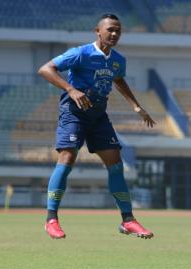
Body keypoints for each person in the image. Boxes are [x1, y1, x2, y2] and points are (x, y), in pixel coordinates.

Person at [38, 14, 155, 239]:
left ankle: (128, 220)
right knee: (67, 159)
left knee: (116, 164)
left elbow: (118, 79)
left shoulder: (118, 60)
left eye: (118, 31)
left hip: (99, 115)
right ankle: (51, 219)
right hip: (73, 113)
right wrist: (71, 90)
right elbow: (46, 69)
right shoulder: (80, 53)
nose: (114, 34)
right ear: (98, 31)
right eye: (110, 29)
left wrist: (136, 107)